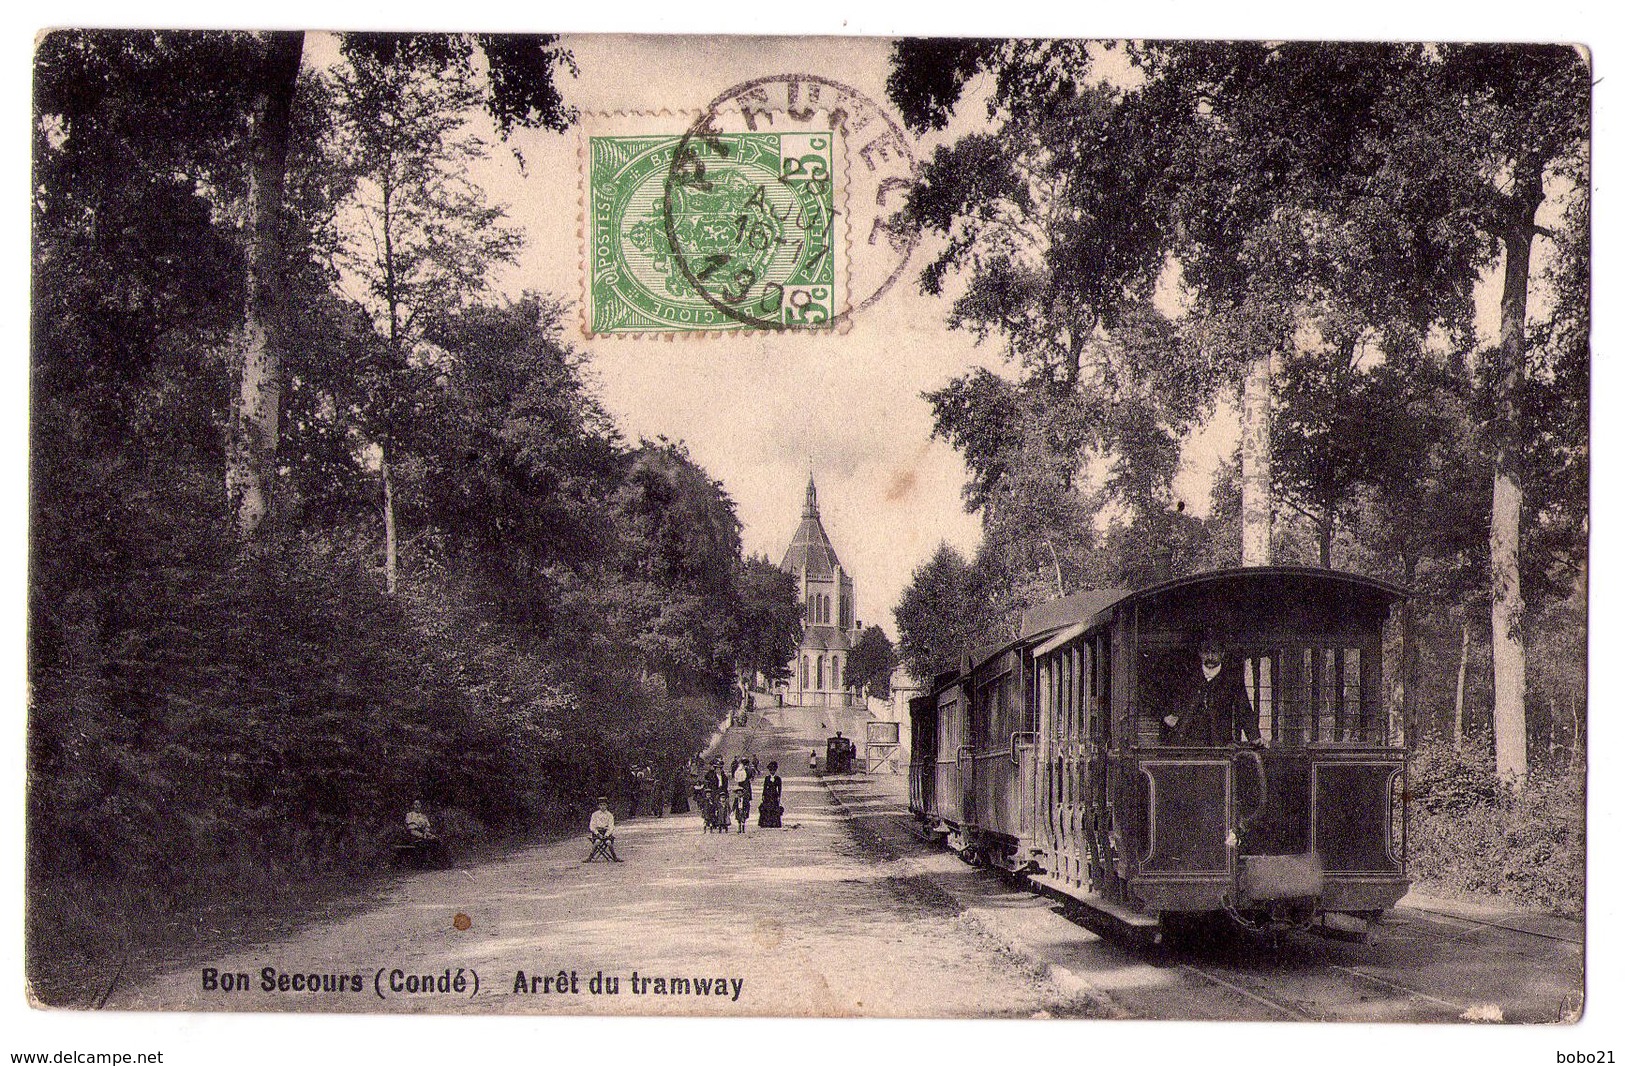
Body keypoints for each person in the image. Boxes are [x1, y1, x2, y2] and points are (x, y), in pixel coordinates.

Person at [1162, 638, 1261, 746]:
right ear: (1200, 653)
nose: (1209, 657)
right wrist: (1166, 715)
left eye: (1214, 652)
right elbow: (1167, 697)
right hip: (1188, 742)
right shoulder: (1187, 676)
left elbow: (1244, 710)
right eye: (1205, 652)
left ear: (1222, 653)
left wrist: (1254, 737)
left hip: (1219, 743)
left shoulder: (1231, 679)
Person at [585, 797, 621, 861]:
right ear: (598, 806)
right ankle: (590, 857)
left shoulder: (610, 815)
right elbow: (592, 826)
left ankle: (615, 857)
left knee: (609, 842)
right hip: (597, 832)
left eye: (604, 805)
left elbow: (611, 826)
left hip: (606, 832)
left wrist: (607, 834)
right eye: (601, 805)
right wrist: (597, 833)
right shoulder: (595, 814)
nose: (602, 807)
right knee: (597, 842)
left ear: (607, 805)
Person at [758, 761, 783, 828]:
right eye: (771, 770)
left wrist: (779, 796)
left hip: (774, 795)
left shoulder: (778, 778)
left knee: (774, 808)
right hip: (767, 795)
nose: (772, 772)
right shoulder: (767, 778)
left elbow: (779, 788)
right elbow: (764, 787)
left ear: (775, 770)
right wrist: (763, 795)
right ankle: (766, 823)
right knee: (767, 808)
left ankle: (774, 823)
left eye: (773, 770)